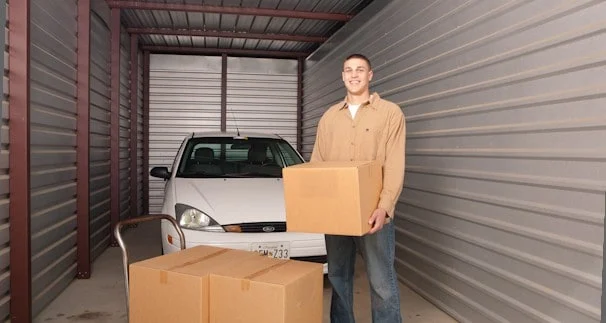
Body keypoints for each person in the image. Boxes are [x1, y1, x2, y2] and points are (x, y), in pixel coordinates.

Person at [310, 53, 406, 323]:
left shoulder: (390, 114)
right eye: (349, 70)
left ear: (370, 75)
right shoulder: (329, 118)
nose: (354, 75)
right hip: (337, 213)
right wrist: (319, 207)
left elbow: (395, 164)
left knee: (381, 282)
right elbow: (318, 164)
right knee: (339, 277)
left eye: (360, 70)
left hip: (373, 211)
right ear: (342, 76)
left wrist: (384, 208)